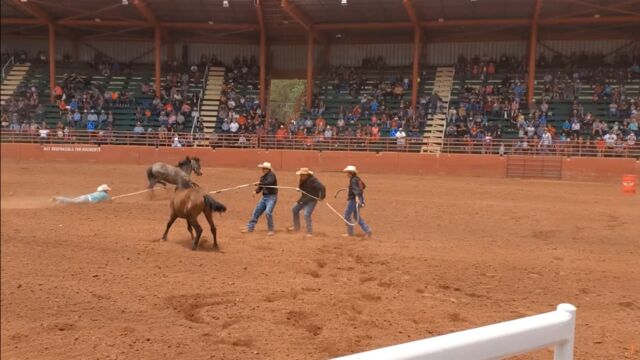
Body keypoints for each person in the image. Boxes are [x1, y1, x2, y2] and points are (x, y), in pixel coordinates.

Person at [287, 168, 326, 237]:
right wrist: (299, 189)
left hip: (312, 199)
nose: (302, 176)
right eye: (301, 175)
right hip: (304, 198)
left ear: (307, 175)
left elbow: (322, 187)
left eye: (303, 175)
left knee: (306, 214)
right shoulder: (302, 179)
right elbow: (302, 187)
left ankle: (309, 232)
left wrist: (321, 197)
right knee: (294, 209)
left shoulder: (313, 180)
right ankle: (296, 227)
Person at [242, 162, 278, 235]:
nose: (263, 170)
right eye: (263, 168)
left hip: (272, 197)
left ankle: (271, 230)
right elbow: (261, 187)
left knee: (268, 212)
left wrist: (259, 183)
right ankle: (250, 228)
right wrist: (256, 191)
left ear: (268, 169)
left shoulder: (272, 175)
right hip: (265, 197)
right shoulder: (263, 177)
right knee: (256, 212)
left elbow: (269, 183)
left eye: (265, 168)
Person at [342, 165, 372, 238]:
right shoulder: (357, 179)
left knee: (346, 215)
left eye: (347, 172)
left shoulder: (353, 180)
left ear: (350, 173)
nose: (346, 174)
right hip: (358, 199)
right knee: (356, 216)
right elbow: (363, 186)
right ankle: (367, 230)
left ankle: (350, 233)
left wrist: (356, 196)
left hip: (353, 200)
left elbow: (357, 190)